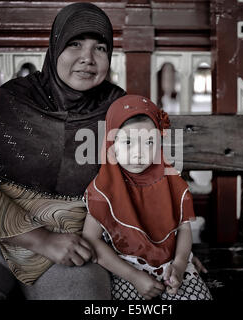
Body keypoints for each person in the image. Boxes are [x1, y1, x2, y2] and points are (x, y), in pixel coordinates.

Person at [0, 2, 126, 300]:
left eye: (100, 48)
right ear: (55, 48)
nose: (87, 58)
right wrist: (41, 239)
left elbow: (145, 185)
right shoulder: (14, 100)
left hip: (70, 242)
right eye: (75, 44)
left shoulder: (119, 111)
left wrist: (164, 251)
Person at [82, 95, 212, 300]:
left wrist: (179, 265)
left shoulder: (172, 182)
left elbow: (184, 228)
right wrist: (134, 277)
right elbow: (91, 239)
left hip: (172, 265)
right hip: (125, 269)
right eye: (127, 142)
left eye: (149, 142)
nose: (139, 154)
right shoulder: (103, 189)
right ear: (111, 143)